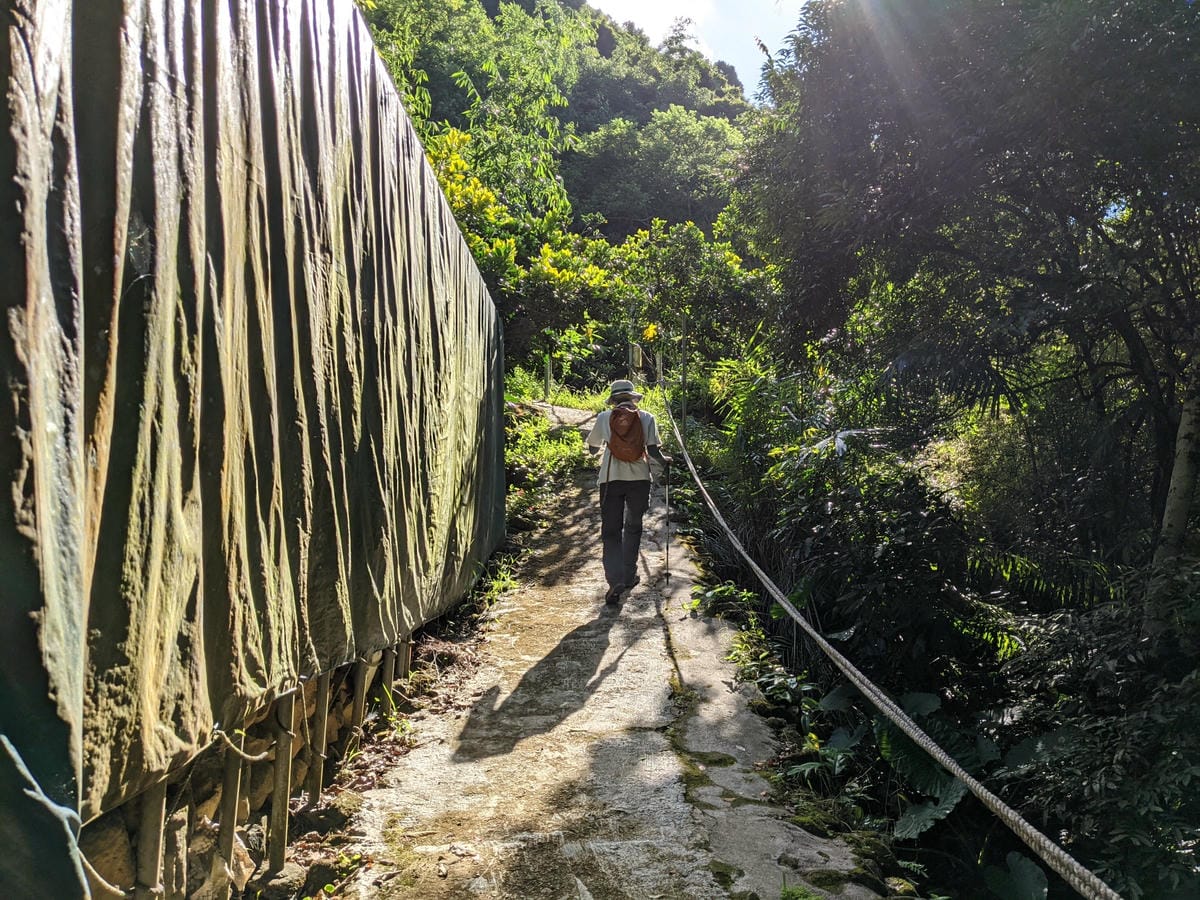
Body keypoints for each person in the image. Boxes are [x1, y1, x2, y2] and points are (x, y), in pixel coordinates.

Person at [586, 379, 672, 605]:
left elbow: (593, 448)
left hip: (610, 480)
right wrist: (665, 462)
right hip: (639, 481)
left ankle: (615, 580)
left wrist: (604, 443)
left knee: (611, 532)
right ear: (633, 398)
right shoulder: (647, 417)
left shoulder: (605, 417)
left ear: (614, 399)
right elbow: (653, 451)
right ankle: (629, 575)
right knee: (633, 527)